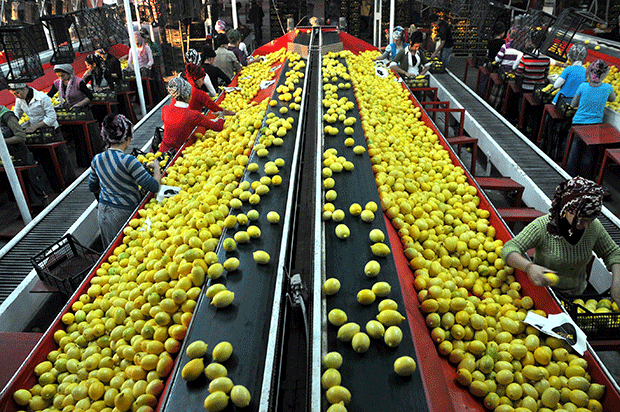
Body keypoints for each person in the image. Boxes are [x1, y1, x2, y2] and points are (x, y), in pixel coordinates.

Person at [502, 177, 620, 306]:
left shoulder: (594, 227)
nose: (586, 225)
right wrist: (529, 267)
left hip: (577, 298)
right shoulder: (543, 226)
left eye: (590, 220)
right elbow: (509, 249)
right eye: (581, 220)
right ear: (566, 209)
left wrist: (616, 283)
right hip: (545, 294)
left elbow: (613, 253)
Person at [89, 114, 161, 246]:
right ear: (127, 138)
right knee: (126, 246)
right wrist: (157, 168)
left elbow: (92, 186)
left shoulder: (97, 159)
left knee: (110, 249)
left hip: (103, 211)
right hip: (124, 212)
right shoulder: (129, 160)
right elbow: (154, 186)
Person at [10, 83, 76, 187]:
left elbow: (51, 117)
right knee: (46, 162)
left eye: (17, 93)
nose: (16, 96)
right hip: (38, 135)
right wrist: (11, 123)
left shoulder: (42, 97)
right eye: (14, 94)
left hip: (52, 132)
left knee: (62, 159)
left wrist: (35, 127)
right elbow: (16, 115)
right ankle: (56, 186)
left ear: (24, 88)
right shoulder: (19, 100)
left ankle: (71, 184)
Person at [565, 60, 616, 178]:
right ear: (604, 75)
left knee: (574, 152)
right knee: (588, 155)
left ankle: (569, 176)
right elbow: (612, 99)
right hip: (595, 126)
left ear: (589, 72)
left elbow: (573, 104)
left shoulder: (583, 86)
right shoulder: (608, 88)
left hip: (578, 124)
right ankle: (585, 179)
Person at [160, 76, 225, 153]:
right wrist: (221, 116)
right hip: (179, 153)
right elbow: (218, 127)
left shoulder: (165, 109)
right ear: (188, 96)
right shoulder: (193, 115)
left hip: (161, 152)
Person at [489, 27, 522, 110]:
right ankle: (504, 108)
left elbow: (497, 59)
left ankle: (495, 104)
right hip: (512, 75)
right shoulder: (520, 48)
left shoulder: (505, 46)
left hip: (502, 73)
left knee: (498, 88)